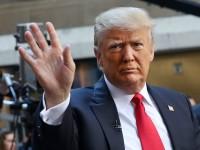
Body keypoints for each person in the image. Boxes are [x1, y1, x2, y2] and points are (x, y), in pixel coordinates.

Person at [18, 7, 200, 150]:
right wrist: (57, 96)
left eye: (137, 45)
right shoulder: (73, 108)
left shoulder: (178, 103)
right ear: (98, 57)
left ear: (151, 51)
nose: (128, 56)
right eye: (116, 47)